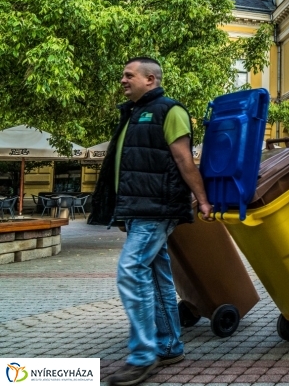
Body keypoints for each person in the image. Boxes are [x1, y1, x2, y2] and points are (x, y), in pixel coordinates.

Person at [89, 57, 213, 386]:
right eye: (123, 74)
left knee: (130, 271)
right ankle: (169, 345)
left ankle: (143, 356)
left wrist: (201, 199)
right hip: (139, 208)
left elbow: (184, 159)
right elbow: (129, 166)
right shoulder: (132, 114)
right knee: (157, 276)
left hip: (157, 208)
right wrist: (121, 210)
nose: (123, 80)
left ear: (151, 80)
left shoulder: (170, 111)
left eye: (129, 75)